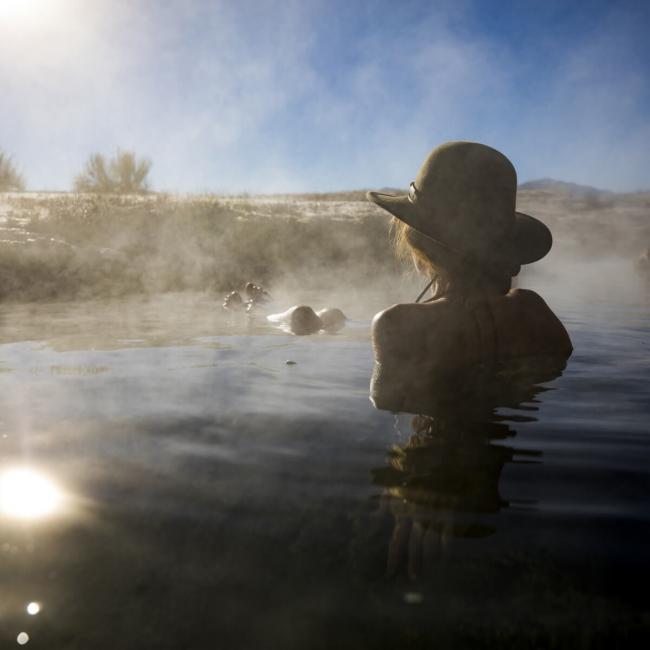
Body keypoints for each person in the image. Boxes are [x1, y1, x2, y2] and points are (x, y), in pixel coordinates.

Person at [366, 141, 572, 413]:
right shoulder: (536, 312)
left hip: (434, 450)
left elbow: (386, 402)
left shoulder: (398, 324)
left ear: (422, 244)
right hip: (502, 450)